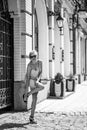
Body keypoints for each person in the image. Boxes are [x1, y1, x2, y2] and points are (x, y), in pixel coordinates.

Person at [23, 50, 44, 124]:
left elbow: (41, 72)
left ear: (37, 55)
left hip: (37, 81)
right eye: (31, 56)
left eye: (34, 56)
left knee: (35, 98)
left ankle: (31, 117)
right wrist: (26, 89)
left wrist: (38, 80)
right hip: (31, 81)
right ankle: (32, 117)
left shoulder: (40, 62)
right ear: (30, 58)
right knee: (36, 97)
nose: (33, 58)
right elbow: (28, 77)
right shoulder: (29, 65)